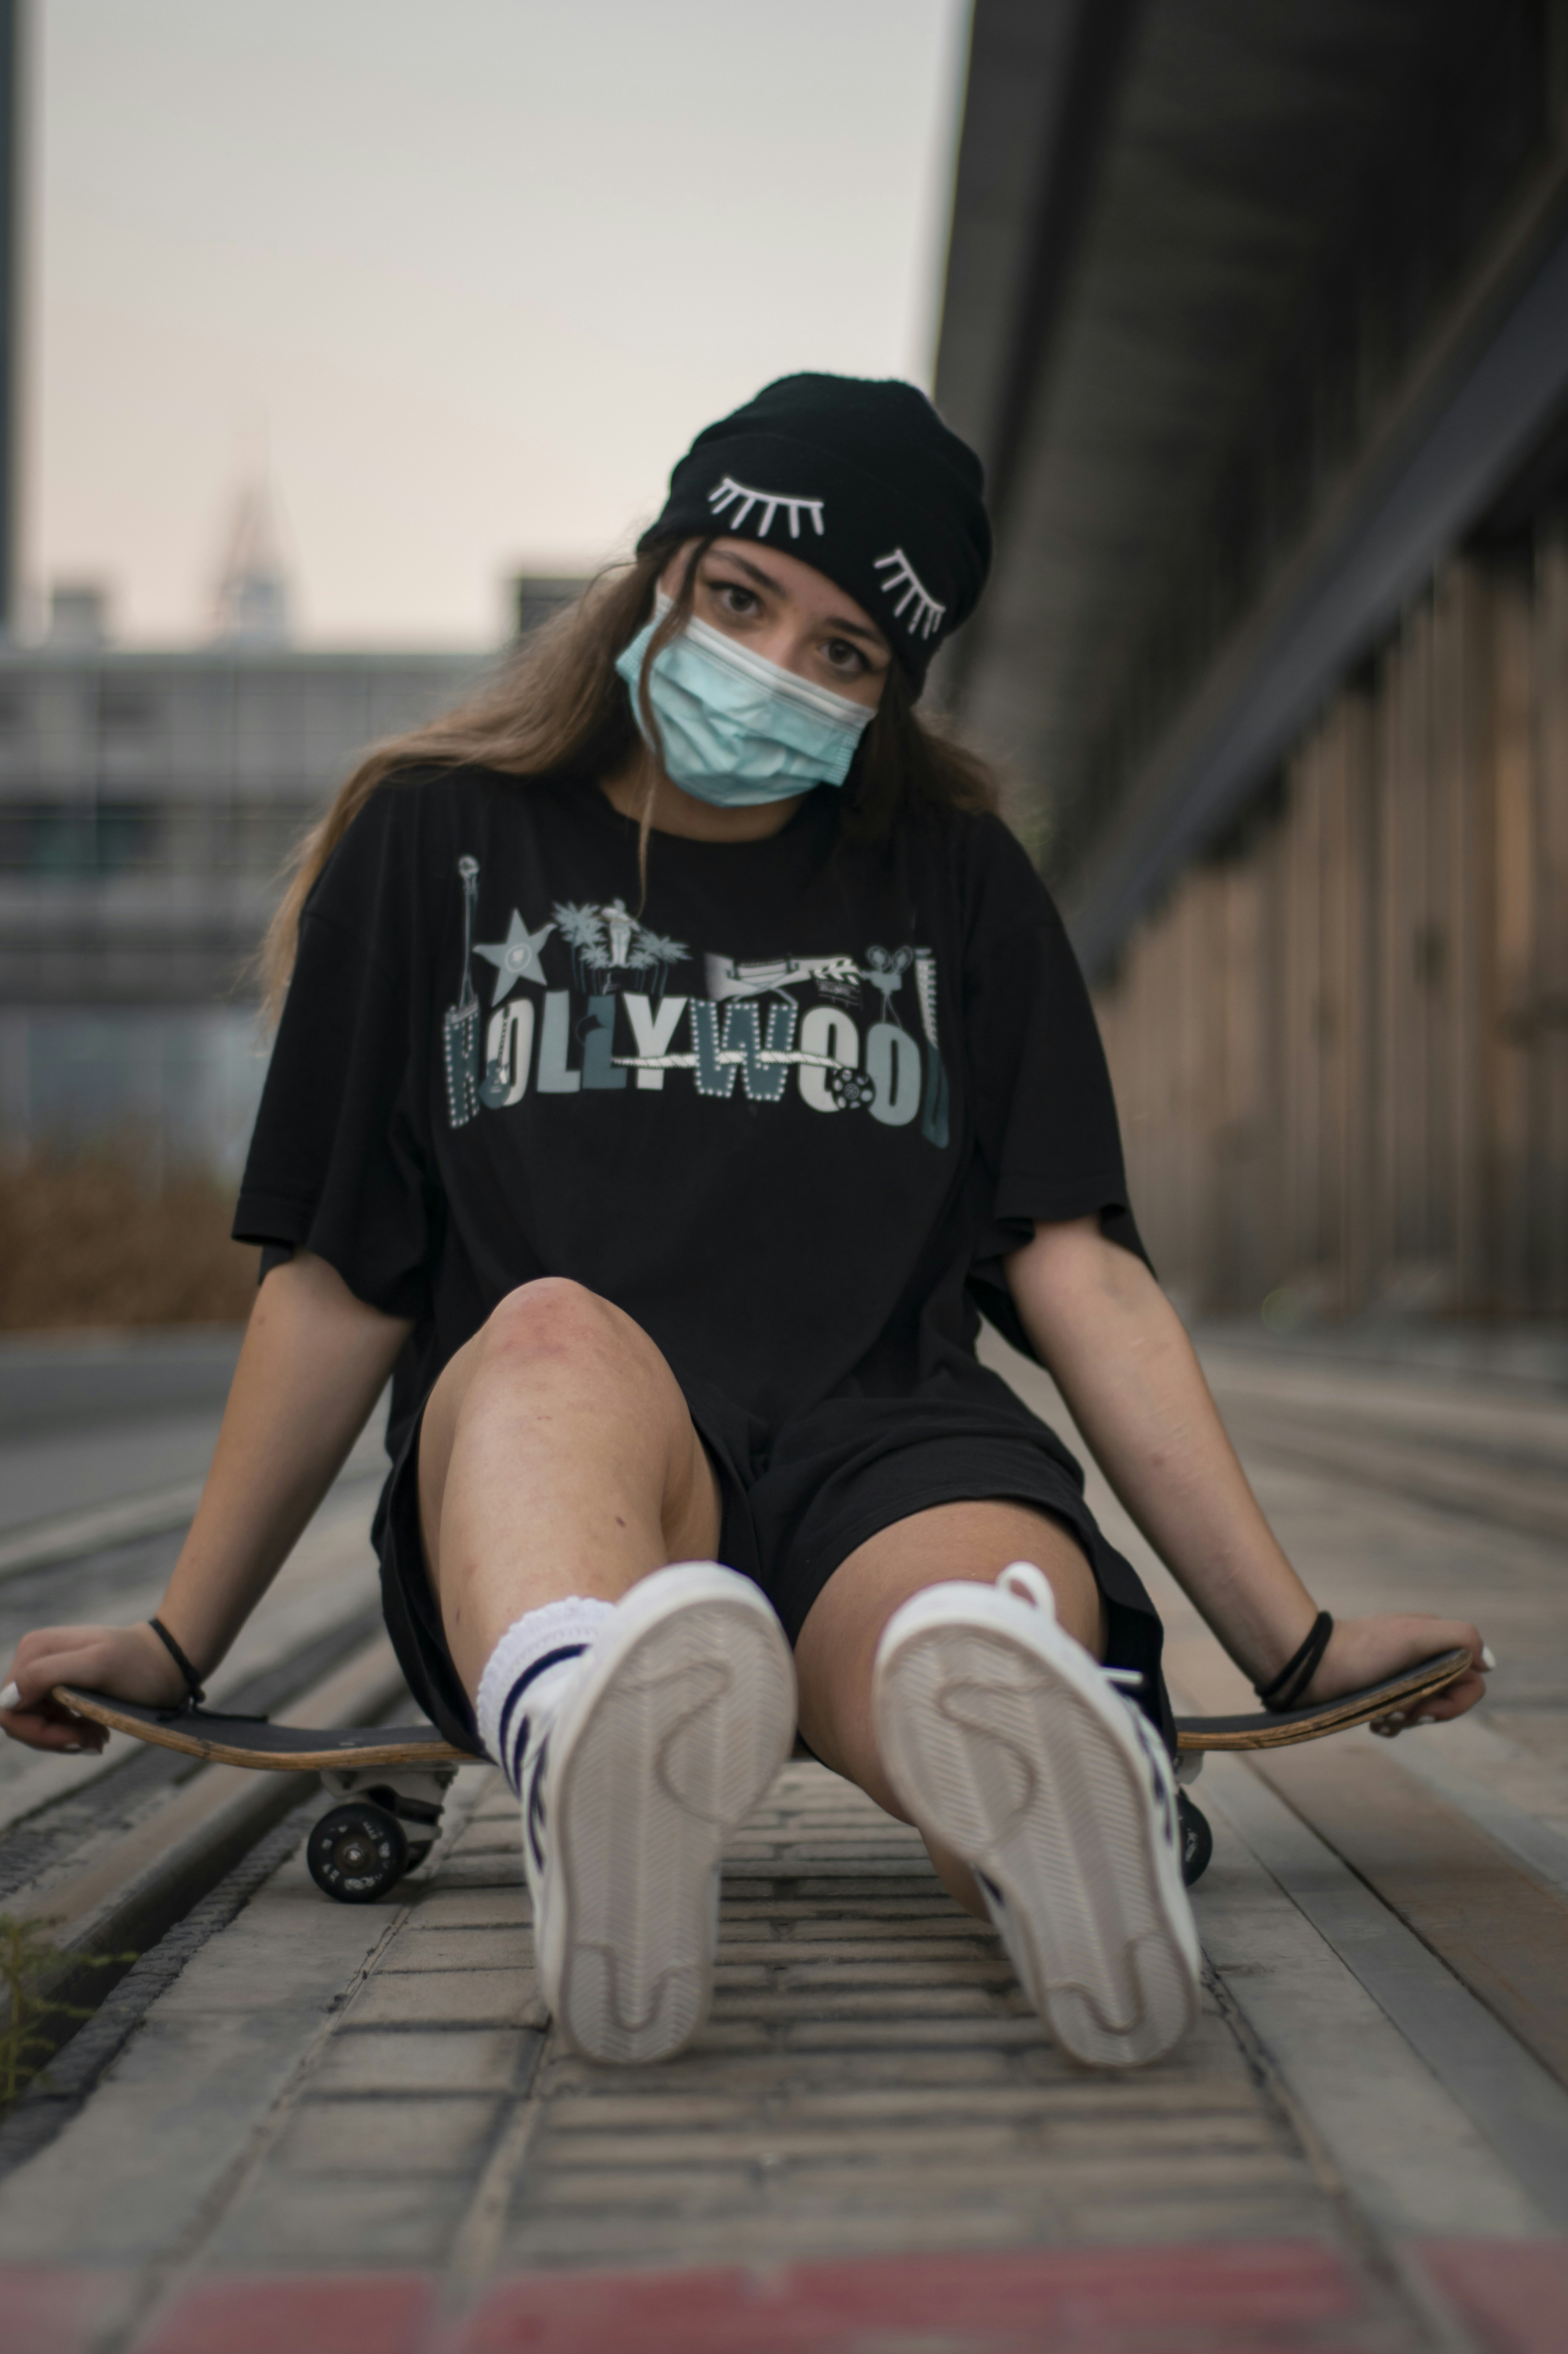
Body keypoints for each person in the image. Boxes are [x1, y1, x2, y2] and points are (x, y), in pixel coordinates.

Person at [0, 374, 1488, 2073]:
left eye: (843, 652)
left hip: (887, 1446)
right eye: (741, 600)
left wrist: (1289, 1643)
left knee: (966, 1630)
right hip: (568, 1458)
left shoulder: (956, 881)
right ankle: (592, 1738)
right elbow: (337, 1279)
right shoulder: (438, 850)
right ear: (665, 572)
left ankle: (1039, 1828)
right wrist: (184, 1634)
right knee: (546, 1333)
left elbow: (1080, 1267)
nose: (772, 670)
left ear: (891, 693)